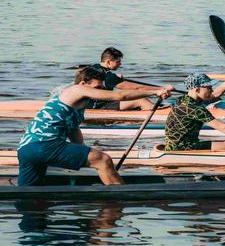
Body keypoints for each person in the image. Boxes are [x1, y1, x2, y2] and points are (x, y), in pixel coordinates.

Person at [17, 66, 173, 187]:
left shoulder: (75, 106)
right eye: (96, 88)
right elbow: (120, 95)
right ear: (83, 83)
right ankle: (121, 196)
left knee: (27, 192)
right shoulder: (75, 90)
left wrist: (83, 153)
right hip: (45, 145)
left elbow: (74, 131)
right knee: (103, 160)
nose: (99, 92)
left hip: (26, 149)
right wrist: (156, 91)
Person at [87, 47, 156, 110]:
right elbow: (137, 88)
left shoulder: (94, 68)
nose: (120, 64)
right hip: (99, 107)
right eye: (118, 62)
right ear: (108, 62)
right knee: (141, 100)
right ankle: (160, 114)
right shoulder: (109, 76)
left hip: (90, 104)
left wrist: (114, 77)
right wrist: (159, 90)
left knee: (131, 98)